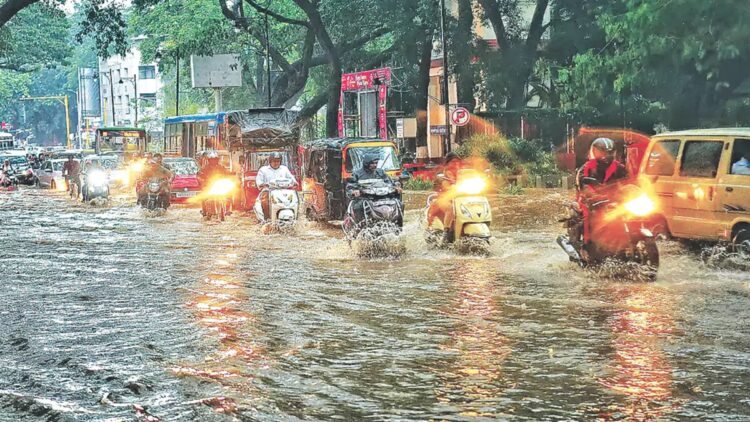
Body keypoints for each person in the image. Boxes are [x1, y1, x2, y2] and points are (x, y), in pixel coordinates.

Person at [571, 137, 629, 246]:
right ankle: (586, 245)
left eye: (609, 152)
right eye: (603, 152)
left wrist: (637, 191)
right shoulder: (586, 168)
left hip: (613, 199)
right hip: (590, 200)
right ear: (595, 152)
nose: (606, 155)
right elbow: (583, 185)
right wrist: (594, 195)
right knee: (587, 215)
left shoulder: (619, 167)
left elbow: (629, 182)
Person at [345, 154, 400, 223]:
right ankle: (359, 226)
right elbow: (350, 187)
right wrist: (354, 191)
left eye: (376, 163)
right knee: (359, 206)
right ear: (366, 163)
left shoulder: (380, 172)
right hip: (364, 198)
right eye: (372, 163)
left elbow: (389, 182)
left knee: (398, 203)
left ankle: (397, 225)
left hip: (381, 197)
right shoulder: (357, 174)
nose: (375, 165)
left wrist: (396, 187)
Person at [255, 152, 297, 220]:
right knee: (264, 201)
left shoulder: (284, 169)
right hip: (269, 191)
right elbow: (259, 182)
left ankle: (295, 217)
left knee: (295, 200)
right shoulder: (263, 170)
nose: (276, 163)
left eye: (278, 161)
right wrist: (263, 184)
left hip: (284, 191)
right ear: (270, 161)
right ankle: (266, 219)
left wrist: (294, 183)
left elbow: (292, 180)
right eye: (274, 161)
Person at [427, 152, 463, 228]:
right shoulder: (443, 173)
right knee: (450, 208)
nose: (455, 164)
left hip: (459, 198)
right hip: (443, 198)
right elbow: (444, 184)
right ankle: (446, 232)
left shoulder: (462, 172)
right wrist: (450, 186)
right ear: (448, 163)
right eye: (453, 162)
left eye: (457, 162)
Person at [197, 152, 234, 216]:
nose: (213, 161)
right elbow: (200, 174)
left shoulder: (221, 167)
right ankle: (204, 210)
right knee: (203, 195)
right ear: (209, 160)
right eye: (212, 160)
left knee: (229, 194)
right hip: (209, 186)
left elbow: (226, 172)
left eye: (215, 159)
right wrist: (201, 176)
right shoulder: (206, 168)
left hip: (219, 185)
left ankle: (228, 210)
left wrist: (231, 173)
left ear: (217, 160)